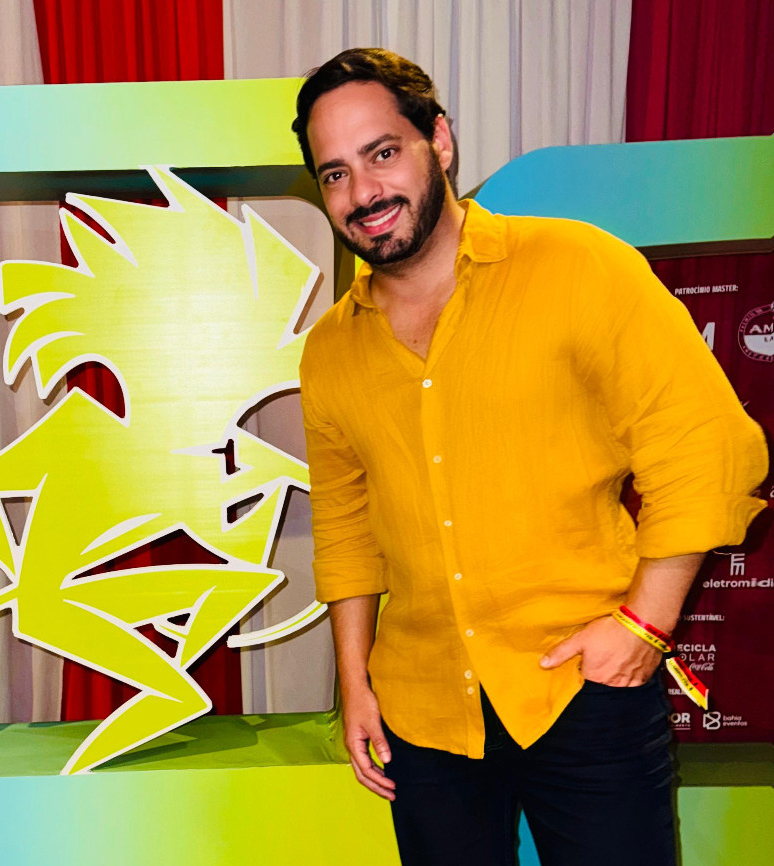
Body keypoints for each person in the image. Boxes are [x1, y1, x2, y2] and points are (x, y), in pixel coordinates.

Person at [294, 47, 768, 866]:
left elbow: (707, 444)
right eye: (335, 173)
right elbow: (344, 521)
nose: (363, 192)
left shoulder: (578, 266)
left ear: (440, 141)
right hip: (423, 714)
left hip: (585, 691)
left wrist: (645, 624)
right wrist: (356, 682)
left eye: (383, 153)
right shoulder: (330, 350)